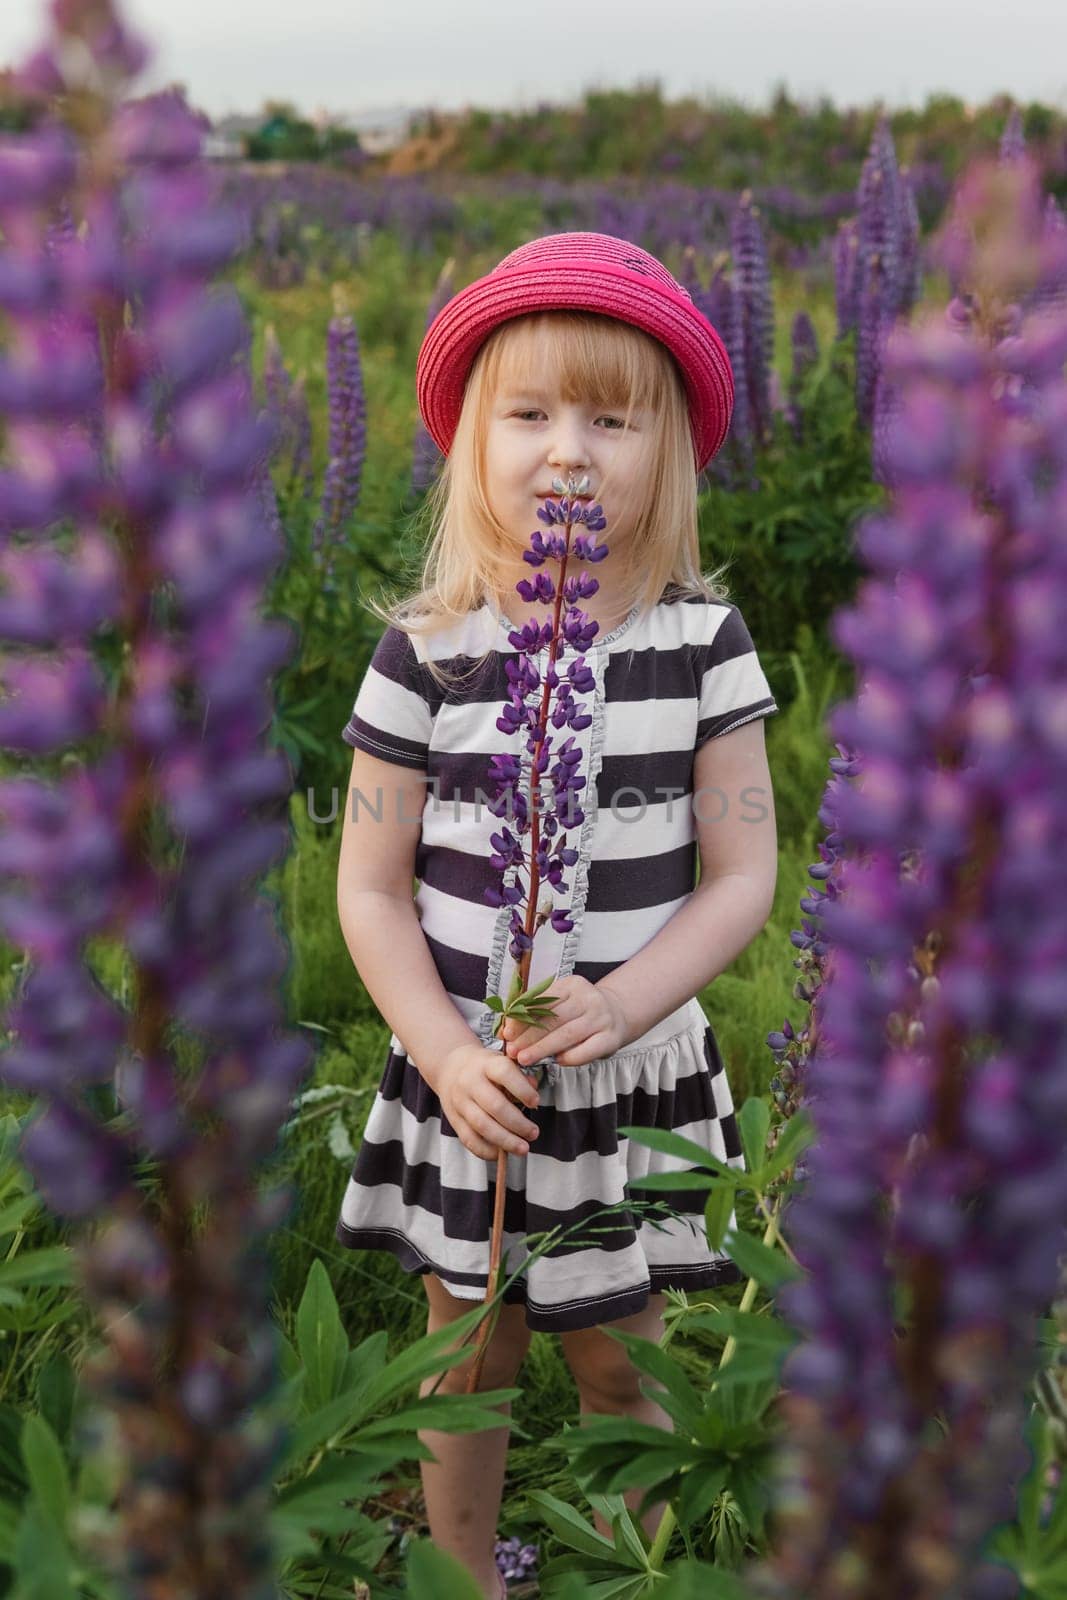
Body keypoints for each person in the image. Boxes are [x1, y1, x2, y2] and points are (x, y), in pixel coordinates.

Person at [334, 231, 780, 1598]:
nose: (569, 452)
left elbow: (746, 869)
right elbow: (367, 882)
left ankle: (620, 1571)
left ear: (672, 453)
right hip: (467, 1077)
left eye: (611, 416)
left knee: (615, 1349)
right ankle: (462, 1574)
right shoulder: (429, 648)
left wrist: (630, 997)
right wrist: (443, 1047)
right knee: (464, 1350)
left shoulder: (701, 645)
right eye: (529, 414)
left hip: (620, 1075)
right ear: (471, 440)